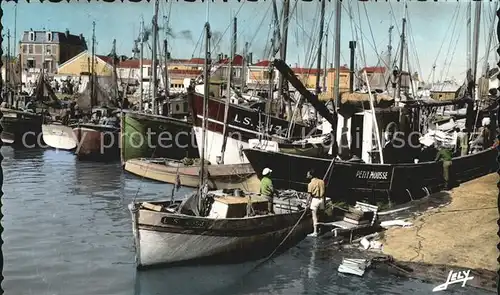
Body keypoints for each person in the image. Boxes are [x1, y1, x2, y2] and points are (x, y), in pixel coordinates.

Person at [306, 169, 325, 237]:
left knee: (315, 217)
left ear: (311, 175)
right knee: (321, 215)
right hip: (322, 199)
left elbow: (309, 195)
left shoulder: (310, 184)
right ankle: (321, 230)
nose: (307, 175)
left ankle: (315, 232)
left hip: (315, 200)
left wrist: (307, 203)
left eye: (308, 174)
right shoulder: (322, 181)